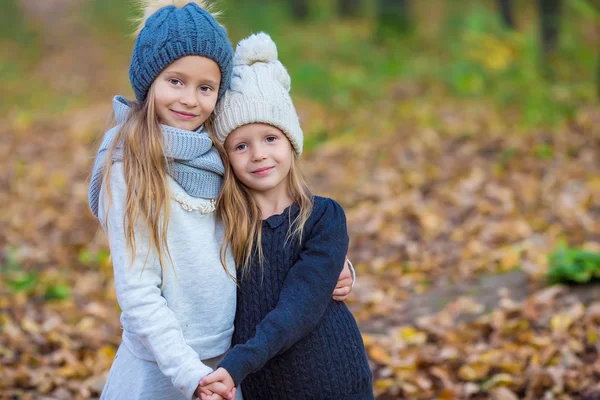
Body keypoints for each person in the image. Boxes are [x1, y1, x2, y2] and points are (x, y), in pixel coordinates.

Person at [87, 2, 354, 400]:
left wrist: (337, 264)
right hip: (165, 367)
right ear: (148, 80)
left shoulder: (217, 156)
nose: (189, 99)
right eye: (175, 81)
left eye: (205, 87)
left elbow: (273, 230)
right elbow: (138, 292)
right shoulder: (130, 166)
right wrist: (188, 374)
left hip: (229, 363)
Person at [198, 32, 373, 400]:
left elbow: (301, 304)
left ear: (291, 143)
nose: (258, 154)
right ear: (226, 157)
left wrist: (236, 364)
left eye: (271, 139)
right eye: (241, 145)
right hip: (266, 387)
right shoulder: (227, 226)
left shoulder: (323, 217)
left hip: (334, 382)